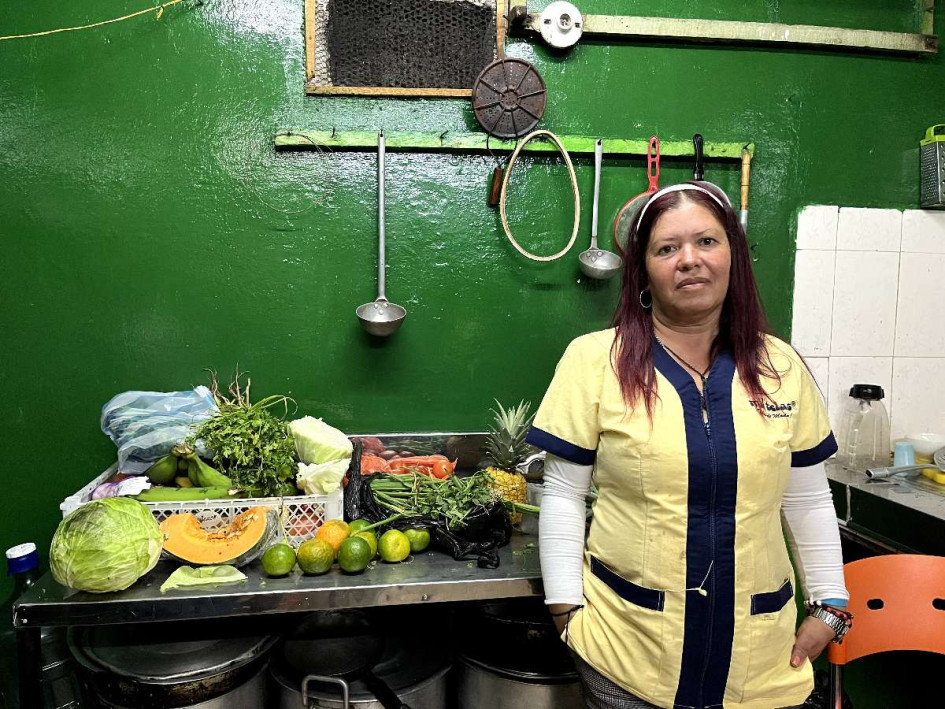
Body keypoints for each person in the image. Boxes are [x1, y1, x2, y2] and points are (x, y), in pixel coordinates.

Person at [527, 182, 851, 709]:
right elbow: (563, 495)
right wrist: (565, 609)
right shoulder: (593, 362)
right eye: (666, 248)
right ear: (644, 273)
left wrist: (831, 603)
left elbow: (809, 499)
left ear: (733, 259)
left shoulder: (780, 368)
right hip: (628, 652)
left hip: (761, 659)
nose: (689, 260)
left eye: (706, 241)